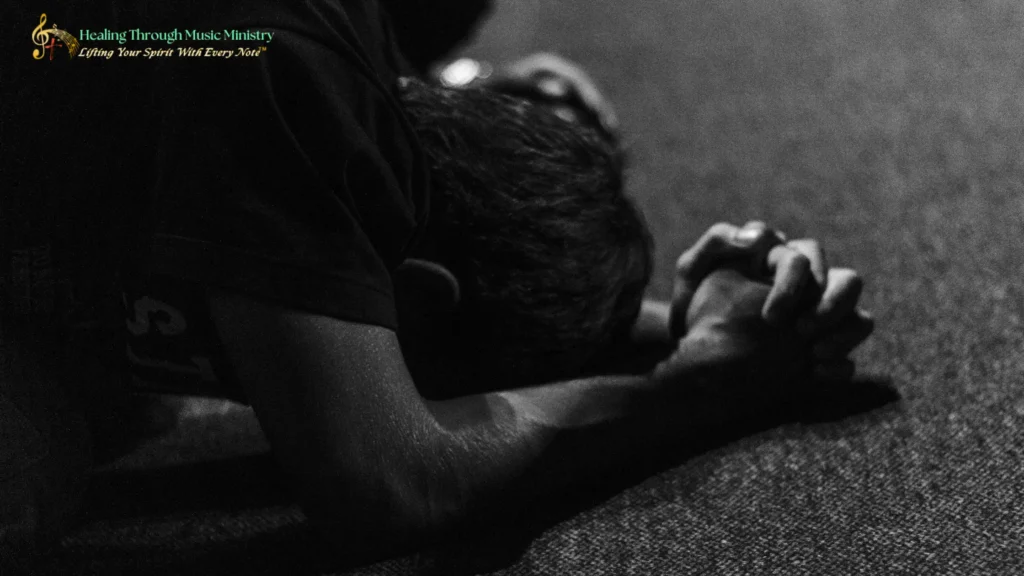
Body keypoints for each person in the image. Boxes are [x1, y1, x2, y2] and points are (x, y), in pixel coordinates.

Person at [0, 0, 873, 567]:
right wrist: (697, 388)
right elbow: (389, 481)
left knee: (118, 392)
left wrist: (695, 321)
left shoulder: (357, 75)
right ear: (415, 300)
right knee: (31, 471)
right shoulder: (272, 80)